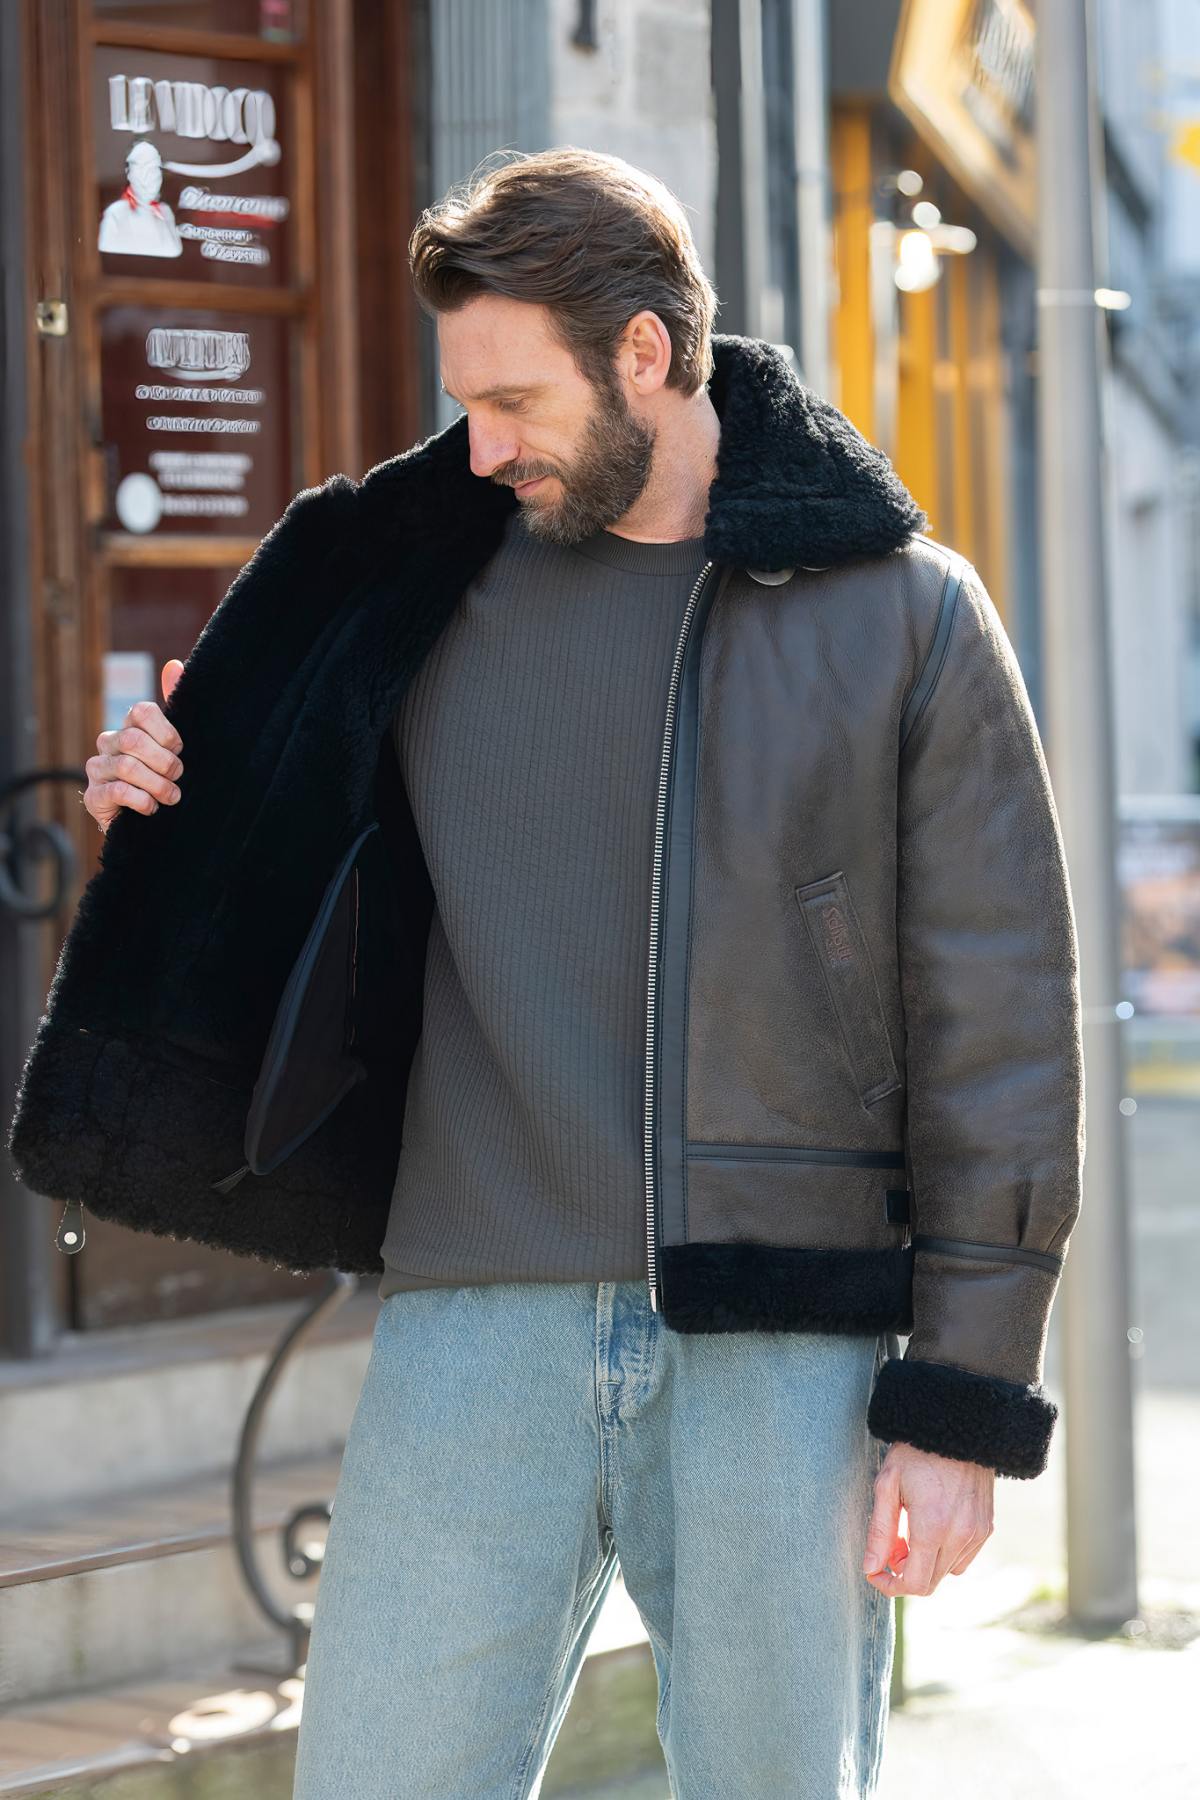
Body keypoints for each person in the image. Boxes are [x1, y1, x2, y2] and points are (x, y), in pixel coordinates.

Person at [9, 147, 1084, 1799]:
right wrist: (159, 791)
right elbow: (267, 833)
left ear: (645, 353)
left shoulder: (902, 616)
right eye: (466, 405)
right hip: (472, 1317)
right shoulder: (396, 584)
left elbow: (1001, 1031)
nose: (482, 447)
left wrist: (964, 1404)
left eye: (515, 401)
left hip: (780, 1332)